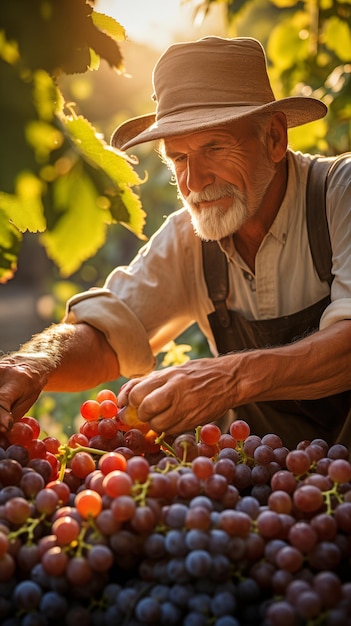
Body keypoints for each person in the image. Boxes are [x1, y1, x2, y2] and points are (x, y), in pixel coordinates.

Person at [0, 36, 350, 450]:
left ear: (274, 138)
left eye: (214, 147)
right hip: (274, 493)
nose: (193, 181)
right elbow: (105, 334)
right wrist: (34, 362)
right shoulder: (190, 236)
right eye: (179, 158)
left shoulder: (339, 195)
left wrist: (228, 378)